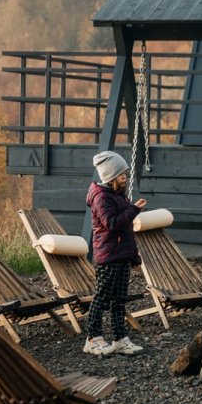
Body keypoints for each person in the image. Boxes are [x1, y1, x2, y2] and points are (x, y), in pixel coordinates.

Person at [83, 150, 146, 356]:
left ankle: (120, 339)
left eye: (125, 174)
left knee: (119, 300)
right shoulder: (102, 198)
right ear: (110, 177)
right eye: (121, 175)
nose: (125, 178)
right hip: (108, 257)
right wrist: (134, 210)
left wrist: (134, 257)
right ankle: (93, 338)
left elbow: (127, 231)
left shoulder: (118, 196)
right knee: (101, 298)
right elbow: (112, 225)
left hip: (121, 256)